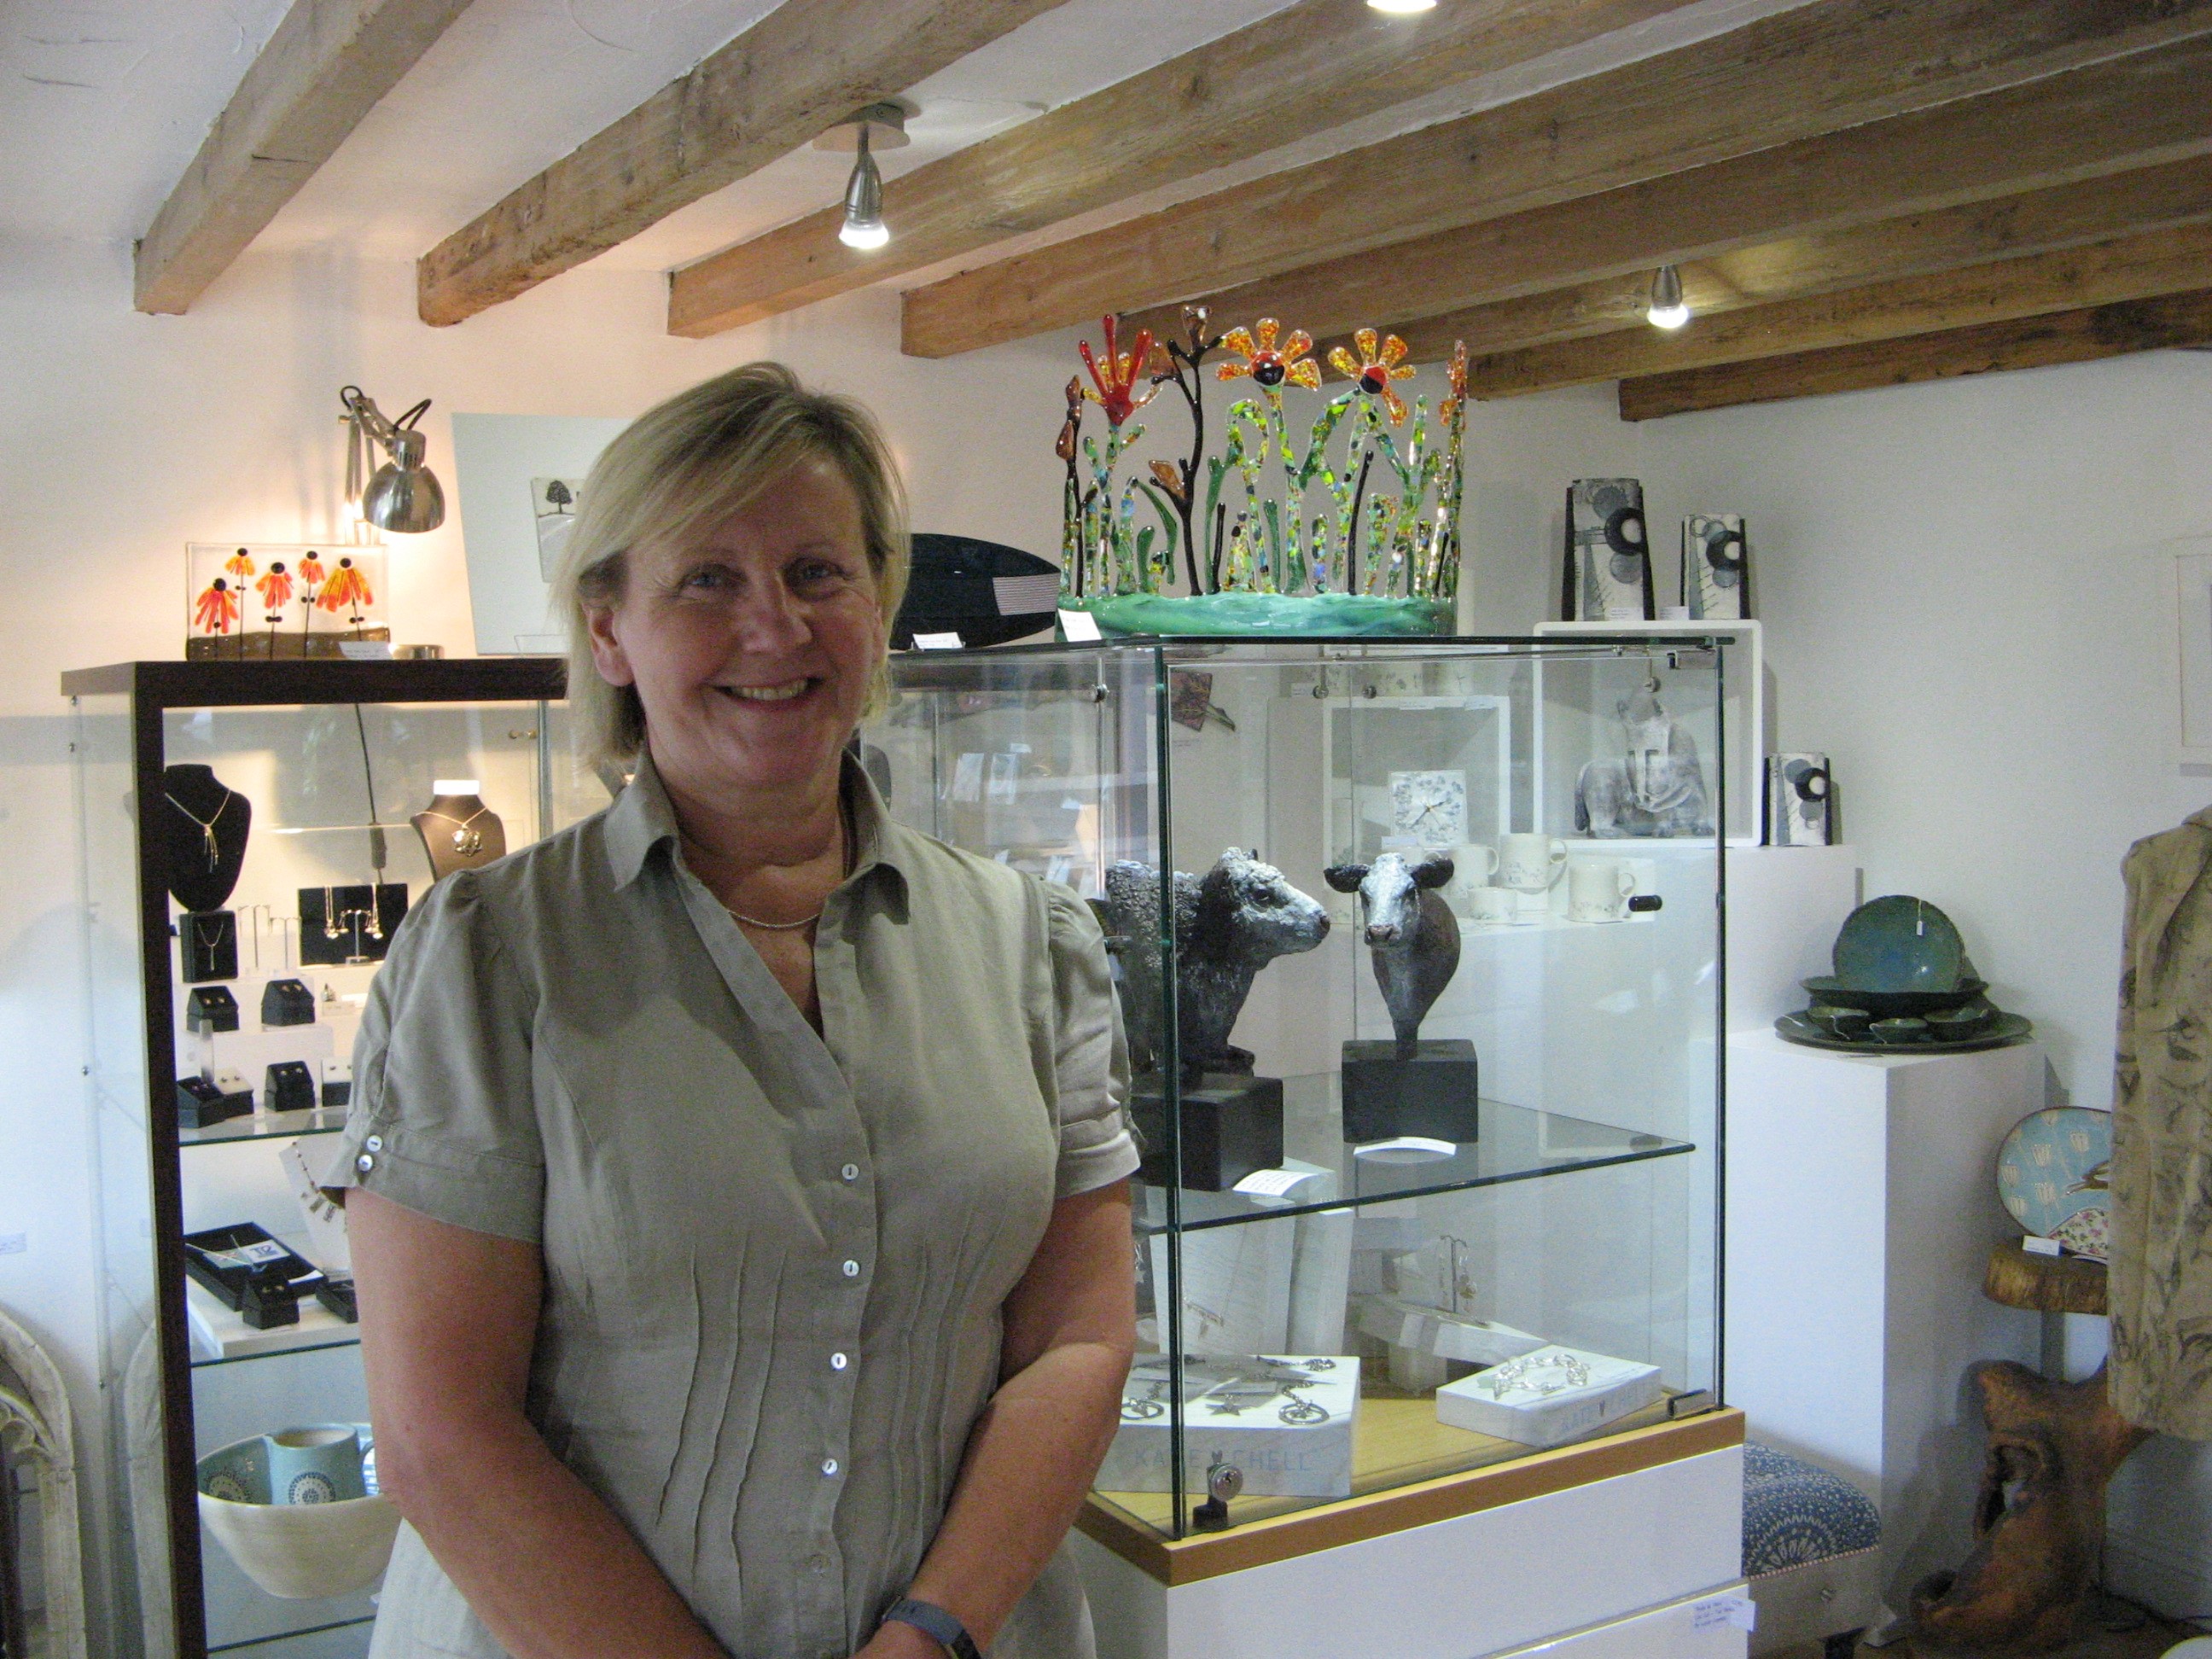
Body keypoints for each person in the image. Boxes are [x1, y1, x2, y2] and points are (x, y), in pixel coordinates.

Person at [326, 363, 1139, 1659]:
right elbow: (442, 1435)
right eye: (707, 580)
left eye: (818, 573)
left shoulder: (1029, 944)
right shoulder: (491, 960)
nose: (775, 628)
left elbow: (1076, 1341)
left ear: (877, 601)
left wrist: (931, 1633)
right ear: (610, 630)